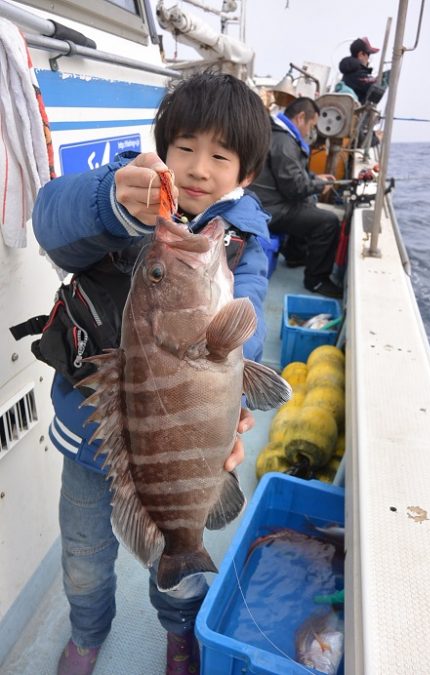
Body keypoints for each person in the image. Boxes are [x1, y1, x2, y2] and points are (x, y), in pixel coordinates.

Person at [31, 71, 272, 675]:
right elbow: (51, 223)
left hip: (184, 455)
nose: (196, 168)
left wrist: (233, 381)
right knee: (84, 557)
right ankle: (89, 632)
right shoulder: (120, 199)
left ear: (244, 176)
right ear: (162, 148)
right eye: (184, 147)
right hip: (87, 440)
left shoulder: (240, 239)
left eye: (220, 156)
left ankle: (178, 633)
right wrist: (112, 200)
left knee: (179, 553)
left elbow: (253, 313)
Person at [250, 96, 342, 299]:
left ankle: (294, 256)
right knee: (328, 222)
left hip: (263, 203)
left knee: (307, 205)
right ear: (301, 118)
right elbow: (295, 188)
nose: (310, 132)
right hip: (268, 211)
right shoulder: (284, 141)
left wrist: (315, 178)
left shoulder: (276, 134)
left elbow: (292, 174)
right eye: (311, 125)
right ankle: (316, 280)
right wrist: (320, 185)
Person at [338, 37, 379, 104]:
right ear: (361, 54)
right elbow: (375, 89)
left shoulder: (350, 70)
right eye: (368, 55)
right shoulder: (357, 73)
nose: (368, 59)